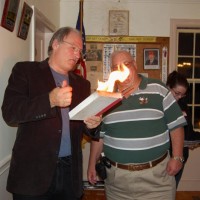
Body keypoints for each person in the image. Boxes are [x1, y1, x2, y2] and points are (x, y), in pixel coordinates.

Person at [1, 27, 101, 200]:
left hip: (70, 174)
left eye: (80, 51)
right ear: (55, 44)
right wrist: (49, 100)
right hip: (33, 175)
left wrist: (92, 126)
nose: (78, 55)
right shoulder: (26, 71)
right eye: (73, 48)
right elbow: (11, 113)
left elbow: (82, 126)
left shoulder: (82, 84)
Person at [86, 50, 186, 200]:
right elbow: (99, 136)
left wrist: (177, 157)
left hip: (156, 179)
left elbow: (176, 125)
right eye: (115, 67)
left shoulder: (158, 89)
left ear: (135, 65)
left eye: (126, 64)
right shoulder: (105, 97)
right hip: (117, 181)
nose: (121, 71)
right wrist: (91, 164)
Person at [166, 70, 200, 188]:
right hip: (165, 159)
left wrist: (194, 140)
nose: (179, 97)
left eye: (182, 94)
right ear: (168, 87)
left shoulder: (182, 105)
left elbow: (188, 133)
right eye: (176, 93)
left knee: (172, 191)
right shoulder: (159, 105)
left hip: (180, 159)